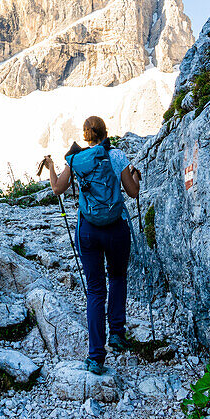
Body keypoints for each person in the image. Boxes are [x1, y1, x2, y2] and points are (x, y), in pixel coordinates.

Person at [42, 115, 140, 375]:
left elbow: (57, 189)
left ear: (86, 135)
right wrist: (135, 176)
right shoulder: (116, 155)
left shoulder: (75, 160)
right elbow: (133, 192)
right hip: (116, 228)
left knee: (96, 291)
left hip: (88, 231)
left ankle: (96, 357)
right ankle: (117, 335)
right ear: (105, 133)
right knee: (117, 277)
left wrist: (51, 165)